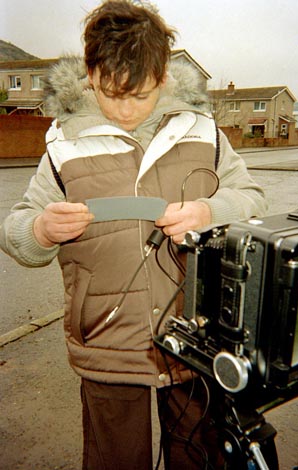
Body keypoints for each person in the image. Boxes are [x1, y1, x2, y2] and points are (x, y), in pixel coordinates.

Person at [0, 1, 268, 468]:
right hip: (105, 344)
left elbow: (252, 199)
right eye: (110, 93)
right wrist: (41, 230)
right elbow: (18, 228)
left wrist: (211, 209)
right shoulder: (62, 143)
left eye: (138, 95)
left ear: (163, 76)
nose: (124, 110)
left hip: (196, 342)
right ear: (90, 73)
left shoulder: (203, 131)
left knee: (201, 459)